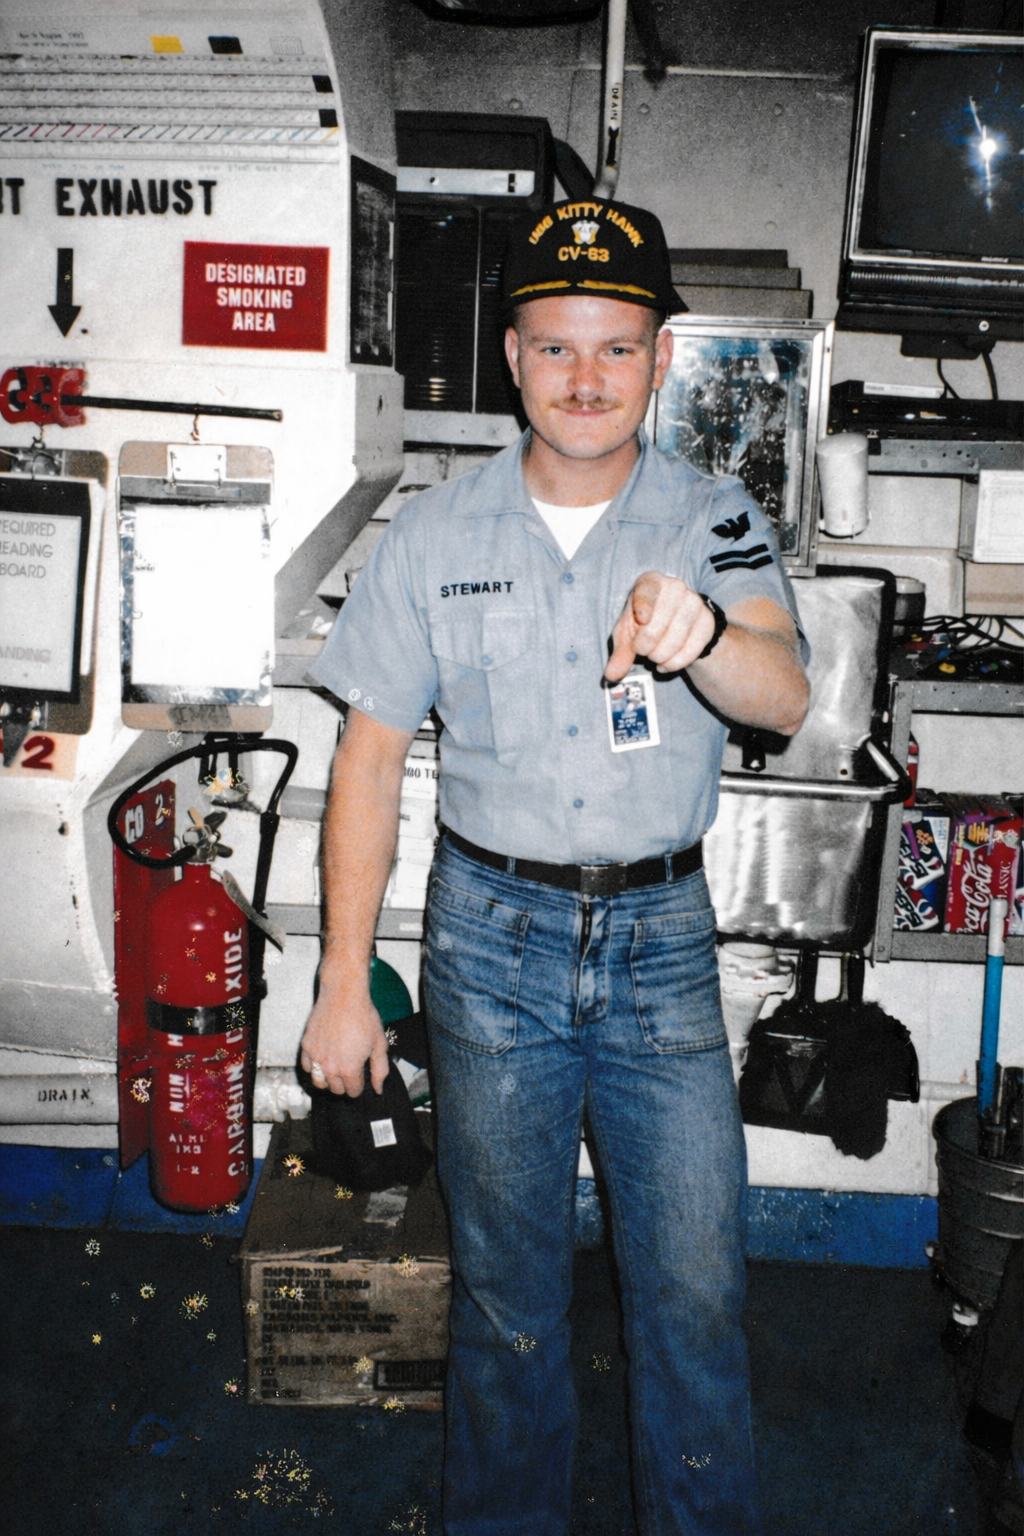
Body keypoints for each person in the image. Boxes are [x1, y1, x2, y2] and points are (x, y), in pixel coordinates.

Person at [302, 196, 810, 1536]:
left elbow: (784, 695)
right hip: (489, 944)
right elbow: (367, 762)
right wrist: (343, 984)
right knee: (508, 1301)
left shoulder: (714, 518)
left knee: (695, 1294)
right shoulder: (432, 534)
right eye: (557, 346)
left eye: (618, 347)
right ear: (512, 355)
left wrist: (706, 636)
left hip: (660, 946)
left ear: (660, 358)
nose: (588, 378)